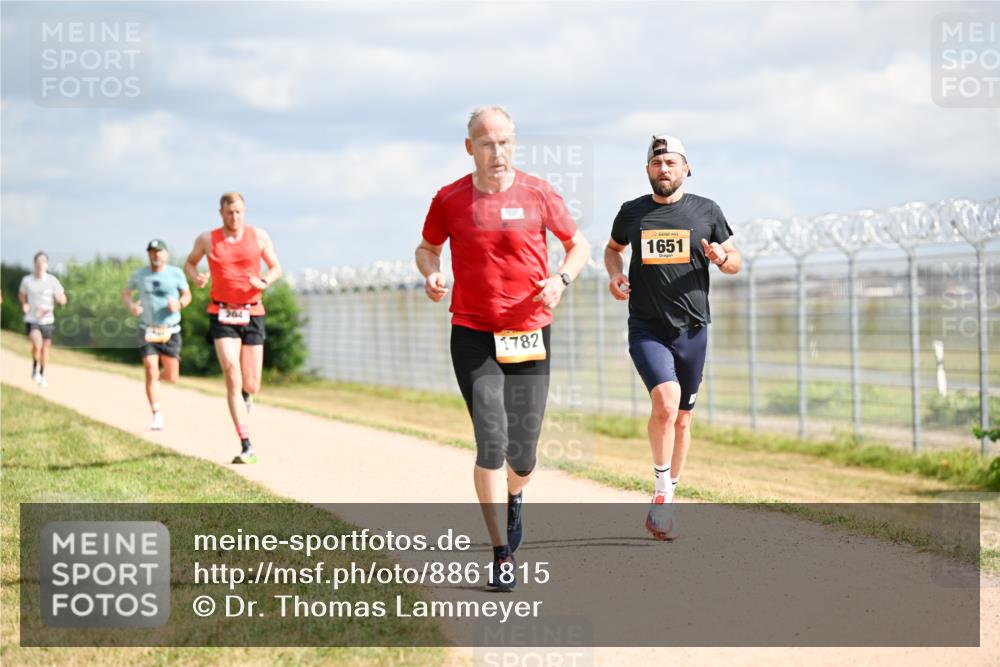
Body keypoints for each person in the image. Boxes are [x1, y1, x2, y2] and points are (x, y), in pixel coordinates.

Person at [415, 106, 591, 590]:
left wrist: (561, 279)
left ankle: (517, 495)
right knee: (490, 440)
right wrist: (432, 272)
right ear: (470, 147)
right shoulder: (449, 198)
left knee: (524, 454)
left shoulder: (537, 192)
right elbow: (427, 247)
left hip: (529, 331)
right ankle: (501, 553)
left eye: (506, 141)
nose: (498, 151)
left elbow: (579, 245)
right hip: (473, 333)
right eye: (488, 143)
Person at [604, 135, 742, 540]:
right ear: (648, 170)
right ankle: (661, 492)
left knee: (683, 418)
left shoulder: (707, 211)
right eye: (656, 162)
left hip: (693, 329)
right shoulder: (632, 212)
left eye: (671, 162)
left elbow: (735, 262)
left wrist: (721, 258)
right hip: (646, 326)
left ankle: (669, 492)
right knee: (665, 402)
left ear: (686, 169)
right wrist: (615, 274)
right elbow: (612, 249)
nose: (663, 169)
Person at [184, 192, 283, 464]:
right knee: (231, 369)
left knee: (251, 383)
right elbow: (189, 263)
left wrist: (264, 280)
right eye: (229, 212)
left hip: (252, 312)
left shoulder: (259, 236)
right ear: (221, 213)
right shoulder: (207, 239)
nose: (234, 217)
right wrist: (197, 277)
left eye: (239, 212)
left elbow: (276, 268)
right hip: (222, 312)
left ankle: (246, 396)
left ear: (244, 211)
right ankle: (246, 443)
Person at [123, 239, 192, 430]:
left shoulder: (176, 273)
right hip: (147, 329)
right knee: (150, 368)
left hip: (171, 330)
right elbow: (126, 293)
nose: (156, 255)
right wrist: (132, 306)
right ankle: (156, 413)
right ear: (148, 254)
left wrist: (179, 304)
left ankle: (156, 381)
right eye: (152, 252)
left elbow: (187, 295)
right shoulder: (139, 275)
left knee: (172, 376)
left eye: (159, 251)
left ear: (166, 254)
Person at [18, 251, 67, 387]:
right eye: (38, 262)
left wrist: (60, 299)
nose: (40, 265)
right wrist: (25, 304)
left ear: (46, 264)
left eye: (43, 262)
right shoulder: (27, 280)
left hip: (48, 321)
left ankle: (41, 373)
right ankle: (34, 368)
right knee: (37, 344)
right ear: (34, 264)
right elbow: (21, 294)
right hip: (32, 319)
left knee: (45, 349)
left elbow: (63, 298)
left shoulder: (52, 280)